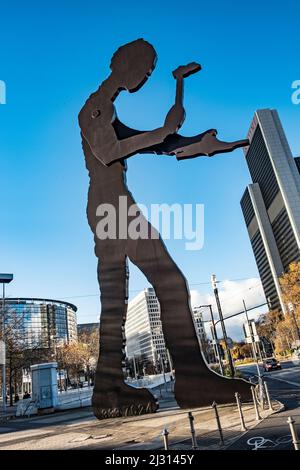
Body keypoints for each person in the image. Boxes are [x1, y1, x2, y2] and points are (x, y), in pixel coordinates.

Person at [79, 39, 251, 419]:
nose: (145, 74)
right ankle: (187, 380)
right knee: (165, 284)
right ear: (120, 62)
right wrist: (161, 133)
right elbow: (109, 151)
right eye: (143, 65)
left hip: (114, 207)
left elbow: (158, 144)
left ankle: (111, 388)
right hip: (111, 209)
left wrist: (200, 143)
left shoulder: (110, 111)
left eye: (151, 70)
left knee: (116, 300)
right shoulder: (94, 107)